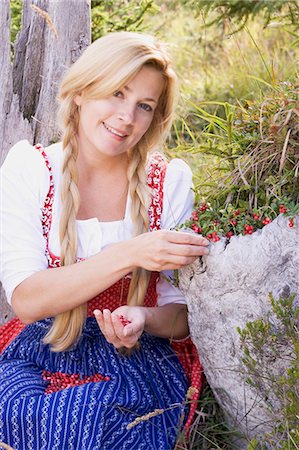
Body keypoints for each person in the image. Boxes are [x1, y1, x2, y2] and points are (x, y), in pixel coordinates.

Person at [0, 31, 209, 450]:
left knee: (108, 423)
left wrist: (144, 318)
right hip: (41, 345)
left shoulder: (168, 184)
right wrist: (129, 252)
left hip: (137, 359)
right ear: (81, 91)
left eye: (144, 106)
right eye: (117, 93)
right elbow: (26, 299)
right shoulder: (31, 168)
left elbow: (185, 315)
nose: (126, 117)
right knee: (34, 415)